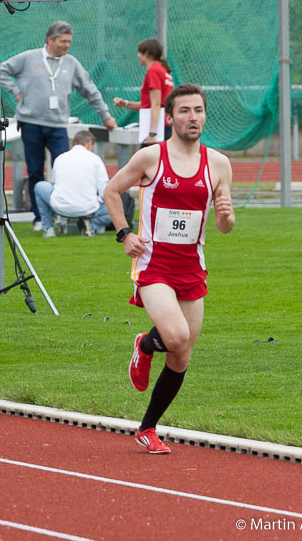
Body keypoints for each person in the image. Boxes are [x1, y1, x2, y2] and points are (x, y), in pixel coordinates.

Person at [103, 83, 235, 455]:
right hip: (154, 265)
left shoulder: (219, 164)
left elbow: (225, 225)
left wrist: (226, 216)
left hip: (193, 267)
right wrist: (125, 234)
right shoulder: (151, 158)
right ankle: (144, 345)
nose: (192, 117)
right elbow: (111, 191)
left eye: (198, 111)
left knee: (183, 353)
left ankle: (148, 428)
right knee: (174, 337)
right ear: (171, 117)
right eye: (184, 111)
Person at [0, 20, 117, 231]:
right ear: (50, 40)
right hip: (31, 122)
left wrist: (105, 115)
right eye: (62, 41)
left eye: (69, 42)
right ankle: (39, 218)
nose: (66, 46)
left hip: (57, 125)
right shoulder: (28, 58)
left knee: (64, 168)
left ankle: (63, 215)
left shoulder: (71, 62)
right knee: (35, 171)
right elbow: (2, 70)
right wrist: (15, 91)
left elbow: (89, 89)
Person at [33, 129, 110, 238]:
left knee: (39, 186)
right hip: (88, 208)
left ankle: (48, 228)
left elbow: (54, 185)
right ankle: (93, 226)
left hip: (60, 207)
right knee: (116, 204)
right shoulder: (95, 159)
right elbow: (104, 189)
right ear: (89, 144)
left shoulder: (60, 158)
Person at [112, 37, 174, 146]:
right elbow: (149, 104)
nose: (138, 56)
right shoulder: (163, 70)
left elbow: (156, 104)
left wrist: (152, 133)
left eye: (140, 52)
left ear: (148, 54)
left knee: (145, 161)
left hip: (159, 128)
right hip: (165, 125)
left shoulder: (153, 70)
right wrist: (125, 103)